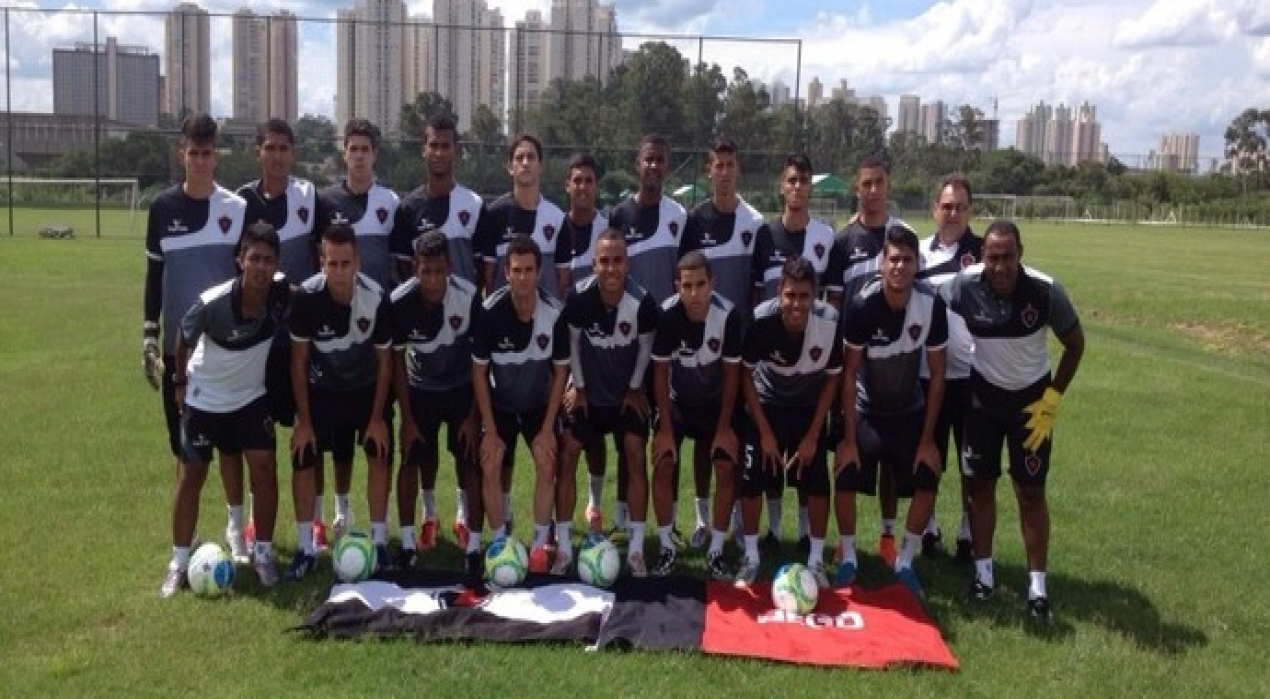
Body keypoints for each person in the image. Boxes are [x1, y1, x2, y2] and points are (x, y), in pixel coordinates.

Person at [941, 219, 1084, 621]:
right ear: (982, 256)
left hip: (1031, 405)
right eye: (993, 257)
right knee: (979, 486)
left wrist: (1052, 399)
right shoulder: (964, 286)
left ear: (1021, 254)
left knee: (1031, 491)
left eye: (1008, 257)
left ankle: (1037, 588)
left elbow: (1075, 344)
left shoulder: (1046, 291)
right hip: (982, 400)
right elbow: (923, 299)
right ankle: (983, 578)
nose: (1000, 266)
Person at [160, 222, 289, 597]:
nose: (261, 267)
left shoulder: (282, 294)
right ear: (240, 260)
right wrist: (180, 384)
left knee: (264, 466)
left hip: (250, 397)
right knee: (192, 474)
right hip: (206, 397)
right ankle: (178, 562)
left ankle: (262, 554)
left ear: (276, 265)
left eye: (268, 260)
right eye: (254, 259)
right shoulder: (211, 302)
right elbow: (182, 340)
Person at [142, 113, 248, 562]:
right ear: (181, 154)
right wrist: (149, 333)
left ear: (216, 156)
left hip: (225, 352)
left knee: (232, 448)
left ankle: (236, 530)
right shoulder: (162, 209)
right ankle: (185, 540)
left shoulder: (235, 208)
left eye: (207, 153)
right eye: (193, 153)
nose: (200, 161)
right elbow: (154, 276)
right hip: (178, 352)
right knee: (184, 451)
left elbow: (247, 277)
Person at [390, 113, 491, 548]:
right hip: (424, 356)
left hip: (462, 345)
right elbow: (402, 270)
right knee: (420, 450)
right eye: (433, 144)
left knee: (465, 450)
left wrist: (457, 304)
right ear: (423, 149)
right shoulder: (407, 208)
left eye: (447, 145)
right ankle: (428, 516)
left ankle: (466, 519)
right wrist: (424, 306)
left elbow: (484, 270)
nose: (439, 152)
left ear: (456, 151)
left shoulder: (474, 205)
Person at [834, 223, 949, 595]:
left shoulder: (931, 304)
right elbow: (849, 373)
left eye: (907, 260)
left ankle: (905, 561)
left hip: (907, 409)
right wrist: (847, 438)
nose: (900, 266)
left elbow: (938, 373)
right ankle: (848, 557)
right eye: (894, 259)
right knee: (845, 470)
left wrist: (928, 440)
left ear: (917, 265)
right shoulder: (862, 305)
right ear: (882, 262)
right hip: (868, 408)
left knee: (929, 474)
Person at [309, 118, 399, 549]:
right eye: (353, 148)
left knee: (376, 434)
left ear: (374, 154)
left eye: (366, 148)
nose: (359, 155)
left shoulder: (390, 202)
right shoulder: (326, 201)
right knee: (332, 441)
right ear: (344, 152)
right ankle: (332, 512)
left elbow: (399, 263)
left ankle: (375, 524)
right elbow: (318, 259)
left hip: (375, 331)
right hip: (331, 335)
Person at [285, 223, 394, 580]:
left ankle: (379, 543)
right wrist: (304, 422)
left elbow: (385, 361)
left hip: (364, 387)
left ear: (357, 263)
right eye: (332, 264)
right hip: (323, 388)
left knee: (379, 449)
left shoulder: (376, 296)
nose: (339, 272)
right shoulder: (305, 297)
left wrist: (377, 419)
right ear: (322, 263)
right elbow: (299, 362)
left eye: (346, 264)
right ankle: (305, 548)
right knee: (303, 454)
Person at [234, 118, 320, 549]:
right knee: (257, 437)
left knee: (308, 428)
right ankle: (253, 520)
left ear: (293, 153)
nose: (278, 156)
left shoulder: (308, 195)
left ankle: (315, 520)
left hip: (300, 341)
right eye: (270, 148)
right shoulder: (241, 202)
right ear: (259, 152)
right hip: (258, 344)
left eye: (285, 148)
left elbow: (324, 256)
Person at [675, 137, 764, 550]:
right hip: (699, 345)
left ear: (737, 169)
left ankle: (737, 522)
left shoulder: (755, 222)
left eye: (730, 164)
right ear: (708, 170)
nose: (724, 172)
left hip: (738, 346)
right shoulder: (695, 221)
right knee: (700, 441)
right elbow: (685, 279)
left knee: (733, 438)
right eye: (718, 165)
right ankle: (701, 519)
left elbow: (758, 289)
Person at [596, 135, 687, 541]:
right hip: (627, 341)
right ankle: (621, 520)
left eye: (660, 160)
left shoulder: (678, 216)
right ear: (638, 164)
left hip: (665, 343)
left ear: (666, 165)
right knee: (627, 434)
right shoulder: (619, 215)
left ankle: (672, 523)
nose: (653, 166)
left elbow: (685, 273)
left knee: (669, 432)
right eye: (648, 159)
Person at [751, 153, 841, 551]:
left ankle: (806, 533)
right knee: (769, 465)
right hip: (772, 365)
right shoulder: (765, 235)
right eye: (791, 180)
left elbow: (833, 298)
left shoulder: (826, 235)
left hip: (811, 365)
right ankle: (773, 529)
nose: (798, 186)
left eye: (804, 180)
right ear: (781, 185)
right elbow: (757, 295)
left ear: (810, 187)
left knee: (808, 463)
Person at [736, 256, 842, 587]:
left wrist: (813, 436)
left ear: (816, 295)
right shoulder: (760, 319)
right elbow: (744, 375)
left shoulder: (830, 321)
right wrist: (765, 433)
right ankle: (750, 556)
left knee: (818, 482)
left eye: (804, 296)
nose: (796, 304)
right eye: (790, 295)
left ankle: (816, 560)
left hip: (808, 407)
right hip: (767, 404)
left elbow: (833, 379)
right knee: (752, 480)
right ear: (779, 291)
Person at [559, 229, 659, 576]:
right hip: (589, 394)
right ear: (594, 264)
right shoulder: (578, 297)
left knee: (635, 452)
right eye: (604, 261)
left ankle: (636, 549)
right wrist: (579, 386)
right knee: (568, 452)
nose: (611, 268)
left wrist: (633, 389)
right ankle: (562, 548)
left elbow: (645, 349)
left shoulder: (643, 303)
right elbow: (572, 343)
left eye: (618, 261)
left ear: (627, 264)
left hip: (624, 396)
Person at [470, 235, 569, 579]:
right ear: (506, 273)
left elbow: (561, 373)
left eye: (529, 270)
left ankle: (540, 546)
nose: (523, 277)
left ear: (539, 272)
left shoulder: (555, 313)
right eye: (516, 270)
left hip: (539, 404)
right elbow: (479, 373)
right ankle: (501, 546)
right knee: (490, 461)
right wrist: (490, 430)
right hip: (501, 403)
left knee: (547, 459)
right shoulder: (488, 312)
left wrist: (547, 429)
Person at [825, 152, 906, 566]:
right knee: (847, 451)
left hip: (894, 364)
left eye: (879, 183)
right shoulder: (843, 242)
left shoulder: (901, 236)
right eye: (866, 183)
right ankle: (846, 541)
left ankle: (888, 535)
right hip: (853, 366)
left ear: (888, 185)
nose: (872, 190)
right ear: (857, 187)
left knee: (890, 458)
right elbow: (834, 306)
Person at [389, 227, 481, 569]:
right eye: (425, 271)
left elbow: (481, 361)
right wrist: (407, 418)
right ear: (415, 268)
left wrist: (473, 416)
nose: (432, 280)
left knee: (468, 457)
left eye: (438, 271)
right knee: (413, 455)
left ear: (449, 269)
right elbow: (397, 360)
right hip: (421, 387)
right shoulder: (399, 301)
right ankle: (412, 538)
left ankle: (472, 541)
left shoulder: (469, 297)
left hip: (460, 386)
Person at [650, 252, 743, 578]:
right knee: (662, 461)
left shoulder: (729, 315)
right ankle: (666, 546)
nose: (694, 293)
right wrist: (664, 428)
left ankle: (716, 549)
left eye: (700, 284)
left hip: (717, 404)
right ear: (677, 286)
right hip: (679, 402)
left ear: (712, 283)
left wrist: (724, 428)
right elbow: (660, 374)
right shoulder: (666, 314)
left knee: (725, 464)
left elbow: (732, 376)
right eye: (687, 286)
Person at [917, 174, 984, 562]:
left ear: (969, 211)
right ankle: (928, 530)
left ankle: (966, 535)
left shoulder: (985, 251)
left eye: (960, 207)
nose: (953, 213)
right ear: (934, 210)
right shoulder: (918, 253)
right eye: (947, 206)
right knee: (931, 457)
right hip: (929, 376)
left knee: (971, 465)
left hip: (974, 376)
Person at [556, 153, 613, 537]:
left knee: (597, 433)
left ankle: (595, 503)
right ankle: (558, 517)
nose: (582, 187)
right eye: (576, 180)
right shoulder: (556, 227)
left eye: (589, 180)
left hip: (603, 344)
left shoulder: (608, 229)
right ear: (567, 185)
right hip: (565, 344)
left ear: (596, 186)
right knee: (569, 430)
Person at [477, 133, 569, 297]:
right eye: (520, 158)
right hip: (504, 312)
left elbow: (562, 280)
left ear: (541, 166)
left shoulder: (557, 218)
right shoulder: (494, 215)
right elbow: (489, 277)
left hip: (545, 312)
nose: (525, 163)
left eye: (531, 157)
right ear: (510, 167)